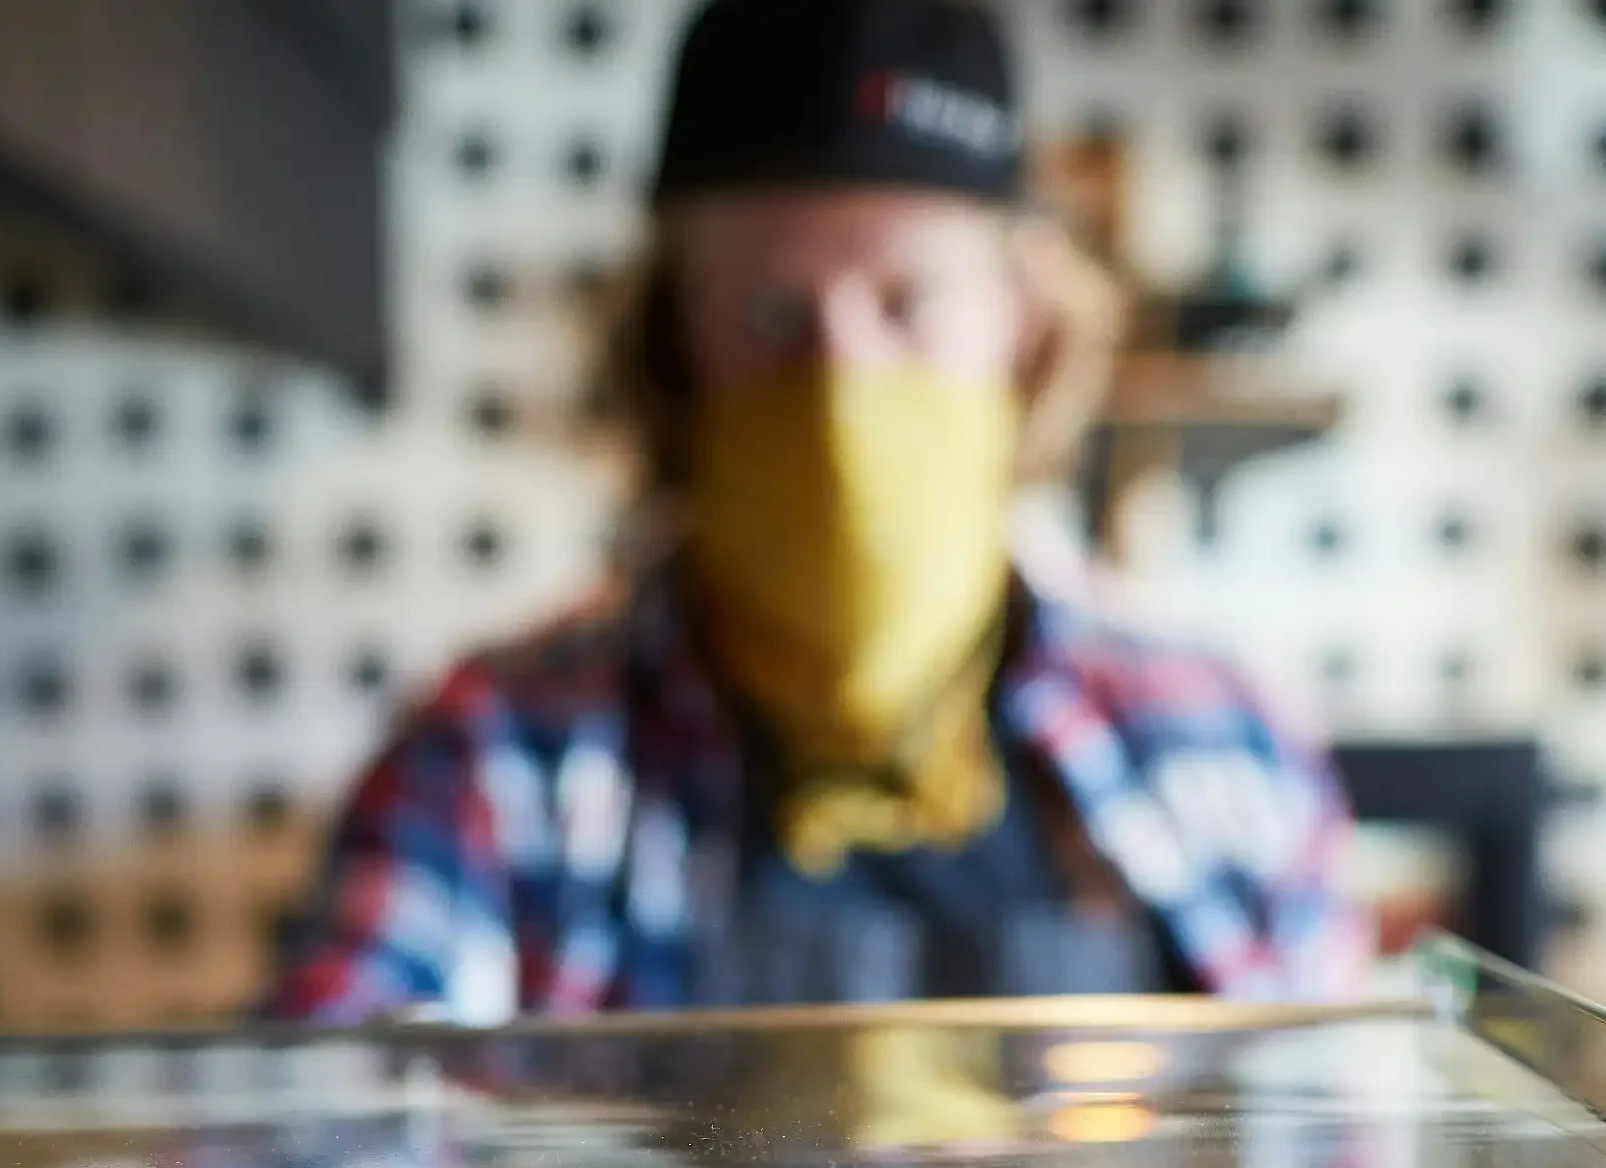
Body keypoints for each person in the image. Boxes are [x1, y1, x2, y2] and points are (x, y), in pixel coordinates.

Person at [267, 0, 1368, 1023]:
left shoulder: (1223, 742)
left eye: (908, 302)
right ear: (670, 349)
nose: (841, 380)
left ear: (1023, 333)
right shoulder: (496, 760)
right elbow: (330, 1137)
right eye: (769, 310)